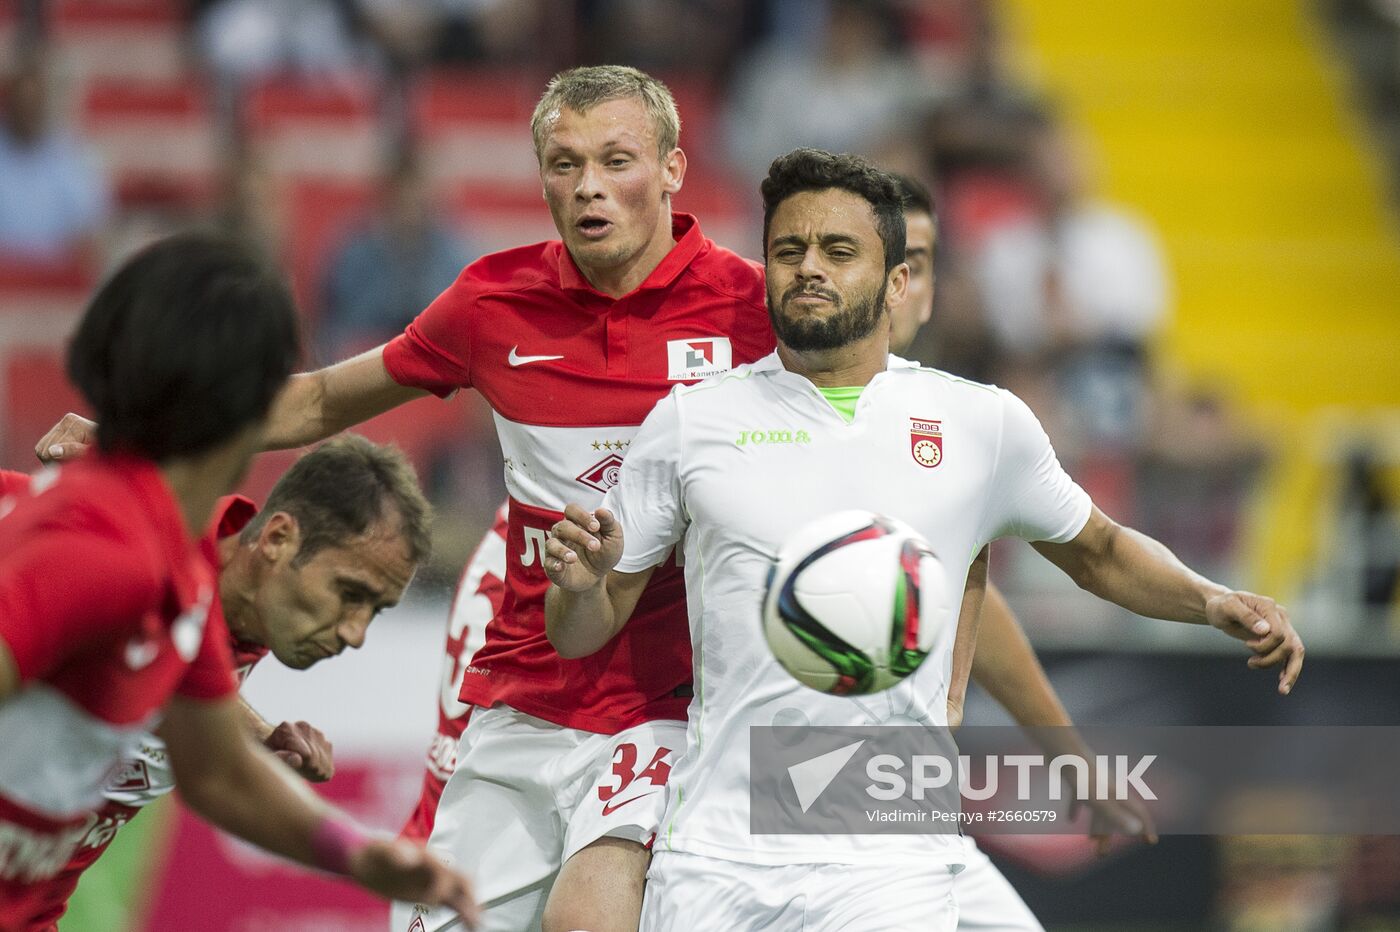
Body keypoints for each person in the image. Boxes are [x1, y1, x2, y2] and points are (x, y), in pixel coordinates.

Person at [35, 65, 775, 932]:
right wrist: (140, 436)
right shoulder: (493, 303)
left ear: (675, 168)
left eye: (617, 161)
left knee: (589, 921)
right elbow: (316, 401)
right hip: (524, 693)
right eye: (565, 165)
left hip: (672, 707)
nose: (589, 189)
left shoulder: (751, 311)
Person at [542, 148, 1303, 930]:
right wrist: (573, 587)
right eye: (787, 250)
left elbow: (1102, 551)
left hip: (890, 860)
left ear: (896, 281)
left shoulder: (981, 425)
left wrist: (1212, 600)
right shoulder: (688, 423)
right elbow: (582, 632)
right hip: (719, 853)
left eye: (839, 252)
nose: (809, 269)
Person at [0, 233, 477, 930]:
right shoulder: (108, 558)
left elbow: (218, 770)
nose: (353, 633)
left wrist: (361, 857)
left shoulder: (176, 575)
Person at [18, 433, 434, 927]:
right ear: (278, 540)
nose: (356, 632)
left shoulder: (233, 621)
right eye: (348, 593)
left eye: (377, 610)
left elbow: (183, 672)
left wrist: (260, 734)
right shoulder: (137, 552)